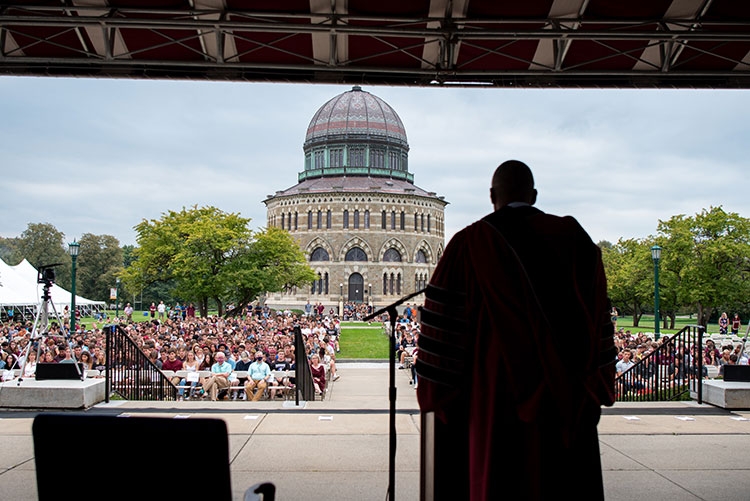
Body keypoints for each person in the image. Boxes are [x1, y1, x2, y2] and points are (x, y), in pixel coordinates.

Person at [415, 160, 616, 500]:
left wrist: (435, 395)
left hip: (495, 402)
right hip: (568, 403)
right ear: (534, 195)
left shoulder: (469, 244)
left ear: (493, 195)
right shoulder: (577, 242)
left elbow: (441, 334)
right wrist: (591, 389)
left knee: (502, 483)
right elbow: (600, 322)